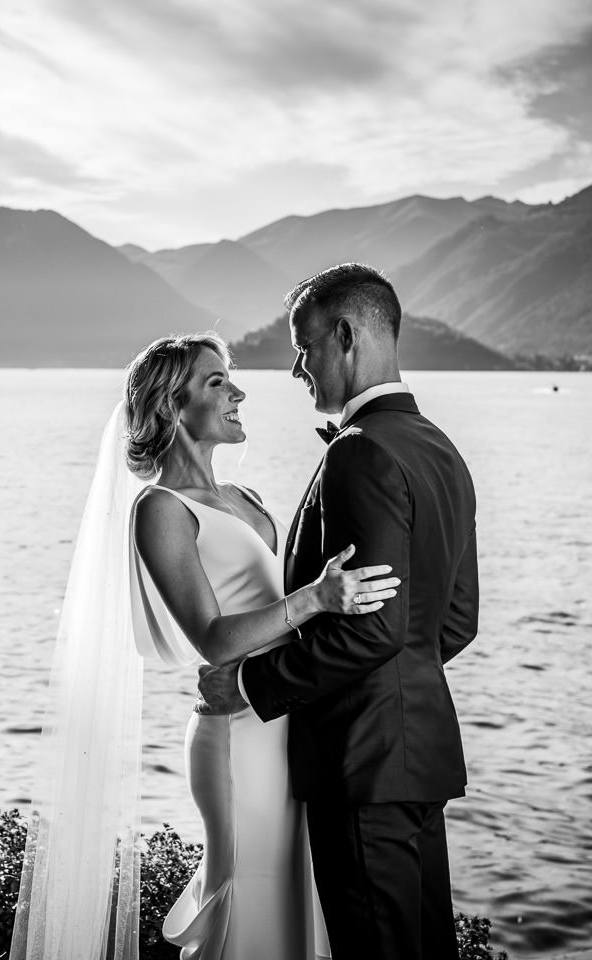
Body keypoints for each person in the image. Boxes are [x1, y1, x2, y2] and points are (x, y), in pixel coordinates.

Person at [9, 332, 399, 960]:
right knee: (250, 906)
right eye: (218, 382)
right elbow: (214, 639)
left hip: (291, 725)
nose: (239, 392)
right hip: (238, 736)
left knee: (296, 908)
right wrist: (316, 599)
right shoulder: (160, 510)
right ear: (171, 405)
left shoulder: (247, 501)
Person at [199, 263, 480, 960]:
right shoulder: (440, 449)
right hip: (419, 758)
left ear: (346, 336)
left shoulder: (361, 455)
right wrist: (398, 681)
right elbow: (455, 620)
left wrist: (249, 684)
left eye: (305, 345)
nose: (297, 367)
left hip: (360, 764)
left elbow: (375, 631)